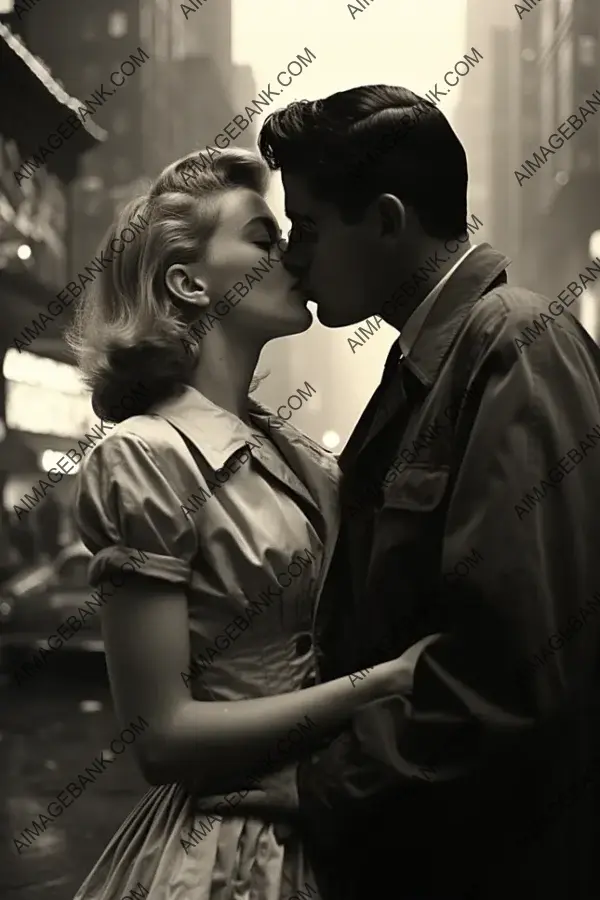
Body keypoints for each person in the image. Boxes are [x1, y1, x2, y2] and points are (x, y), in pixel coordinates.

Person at [257, 84, 600, 899]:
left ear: (384, 219)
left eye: (306, 228)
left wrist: (318, 789)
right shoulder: (430, 365)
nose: (295, 259)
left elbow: (513, 665)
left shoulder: (513, 343)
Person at [67, 147, 436, 900]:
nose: (293, 253)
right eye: (264, 238)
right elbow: (162, 739)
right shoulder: (147, 456)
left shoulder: (307, 461)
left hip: (329, 830)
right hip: (219, 852)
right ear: (189, 281)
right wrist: (378, 686)